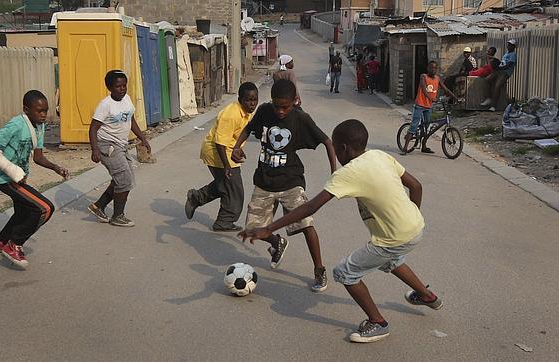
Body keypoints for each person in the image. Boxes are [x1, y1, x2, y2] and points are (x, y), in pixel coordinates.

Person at [240, 119, 441, 343]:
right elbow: (416, 186)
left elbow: (310, 206)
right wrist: (411, 215)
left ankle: (378, 323)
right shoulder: (380, 155)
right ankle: (427, 295)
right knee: (390, 260)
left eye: (335, 148)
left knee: (345, 272)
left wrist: (268, 228)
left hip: (395, 238)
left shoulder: (349, 173)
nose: (335, 153)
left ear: (344, 148)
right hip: (416, 226)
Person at [231, 79, 337, 292]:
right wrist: (235, 147)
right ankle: (276, 243)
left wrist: (335, 172)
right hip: (264, 180)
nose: (280, 111)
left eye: (285, 107)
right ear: (271, 102)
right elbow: (248, 129)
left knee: (306, 224)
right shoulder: (263, 112)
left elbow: (327, 141)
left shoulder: (300, 118)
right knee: (252, 228)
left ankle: (319, 269)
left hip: (291, 181)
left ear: (294, 102)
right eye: (277, 106)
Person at [0, 90, 68, 269]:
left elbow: (38, 157)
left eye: (45, 110)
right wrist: (10, 169)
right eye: (39, 111)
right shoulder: (16, 125)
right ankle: (14, 244)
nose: (43, 115)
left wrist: (55, 167)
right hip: (4, 178)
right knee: (44, 209)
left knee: (23, 212)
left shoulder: (39, 126)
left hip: (19, 178)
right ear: (26, 110)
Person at [185, 82, 259, 231]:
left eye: (254, 100)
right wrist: (226, 165)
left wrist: (237, 148)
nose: (252, 104)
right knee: (235, 190)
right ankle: (223, 222)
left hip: (229, 151)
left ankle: (196, 198)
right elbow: (220, 142)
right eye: (248, 100)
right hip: (217, 152)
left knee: (224, 185)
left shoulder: (246, 112)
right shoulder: (231, 115)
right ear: (240, 99)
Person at [87, 70, 151, 227]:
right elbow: (93, 128)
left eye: (124, 85)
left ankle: (98, 206)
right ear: (109, 87)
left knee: (124, 179)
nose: (122, 89)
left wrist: (142, 138)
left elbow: (131, 119)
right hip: (107, 145)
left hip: (121, 145)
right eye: (118, 86)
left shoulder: (127, 99)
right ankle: (118, 216)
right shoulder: (105, 105)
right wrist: (95, 150)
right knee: (124, 180)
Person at [403, 61, 456, 154]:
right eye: (431, 68)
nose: (433, 70)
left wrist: (455, 97)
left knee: (427, 127)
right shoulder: (423, 76)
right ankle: (405, 147)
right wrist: (431, 98)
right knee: (414, 125)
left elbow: (446, 89)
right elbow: (423, 89)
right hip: (419, 105)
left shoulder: (437, 79)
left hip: (428, 106)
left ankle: (424, 146)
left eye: (435, 68)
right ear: (428, 68)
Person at [481, 39, 517, 111]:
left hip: (505, 73)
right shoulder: (506, 54)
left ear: (514, 47)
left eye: (510, 45)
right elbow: (502, 63)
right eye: (508, 45)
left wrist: (499, 68)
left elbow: (508, 65)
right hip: (500, 71)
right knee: (488, 79)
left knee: (497, 86)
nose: (508, 46)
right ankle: (489, 98)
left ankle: (493, 106)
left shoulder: (513, 55)